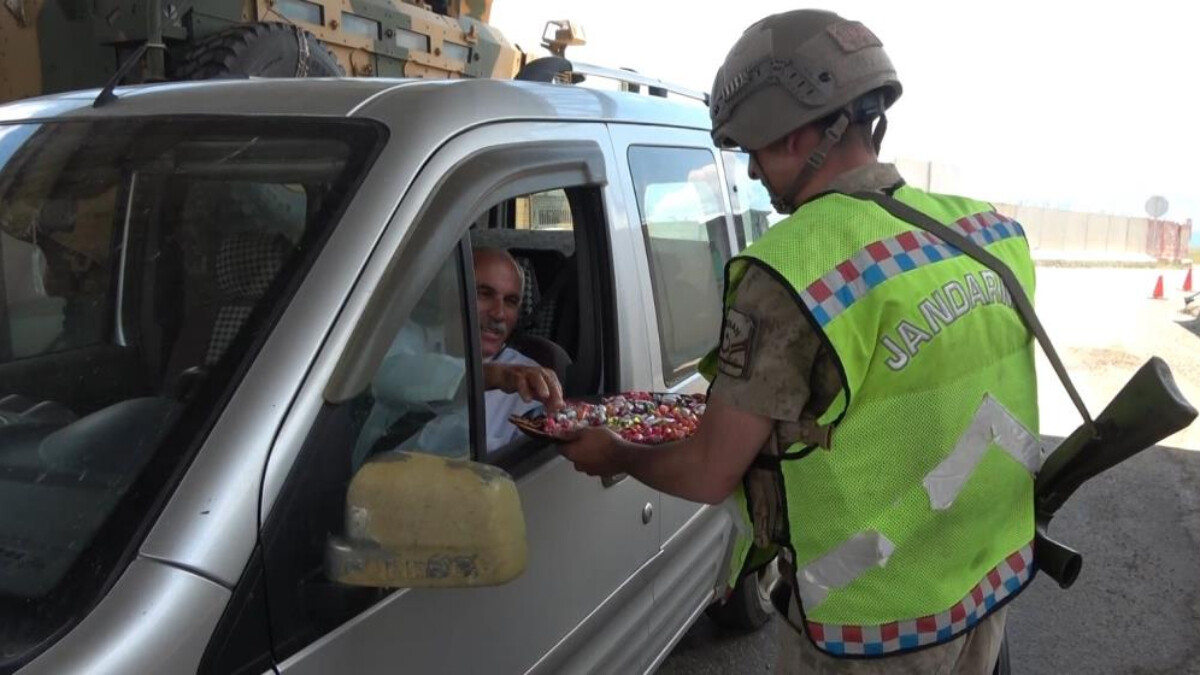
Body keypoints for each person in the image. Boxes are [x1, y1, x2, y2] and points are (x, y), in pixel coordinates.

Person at [559, 9, 1037, 674]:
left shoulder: (793, 268)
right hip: (982, 588)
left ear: (791, 134)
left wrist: (616, 450)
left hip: (875, 625)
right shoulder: (983, 234)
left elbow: (709, 470)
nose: (754, 173)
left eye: (753, 151)